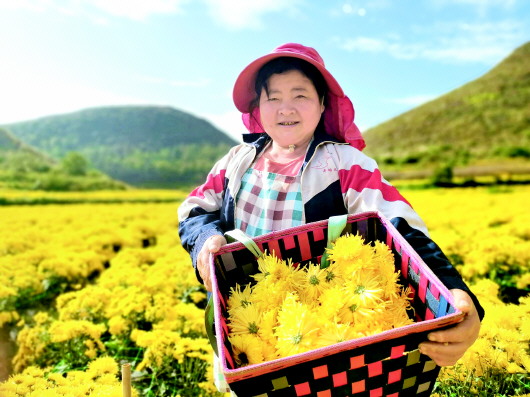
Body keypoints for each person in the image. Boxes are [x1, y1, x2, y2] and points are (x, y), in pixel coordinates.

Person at [178, 43, 483, 384]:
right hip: (248, 333)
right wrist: (205, 241)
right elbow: (194, 210)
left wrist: (455, 292)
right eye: (273, 97)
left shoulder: (345, 164)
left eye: (301, 96)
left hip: (325, 334)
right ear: (258, 108)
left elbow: (402, 229)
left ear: (323, 104)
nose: (286, 108)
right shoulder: (236, 161)